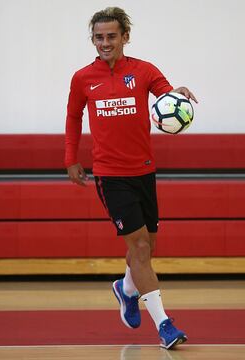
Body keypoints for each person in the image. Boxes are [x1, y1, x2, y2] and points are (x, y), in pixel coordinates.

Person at [64, 7, 198, 350]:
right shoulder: (82, 78)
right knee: (138, 247)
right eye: (98, 37)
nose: (105, 43)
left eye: (111, 36)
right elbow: (73, 118)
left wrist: (177, 93)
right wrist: (70, 159)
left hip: (144, 171)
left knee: (148, 247)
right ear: (92, 39)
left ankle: (126, 290)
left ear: (125, 36)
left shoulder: (143, 70)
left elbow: (166, 95)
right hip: (110, 176)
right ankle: (165, 325)